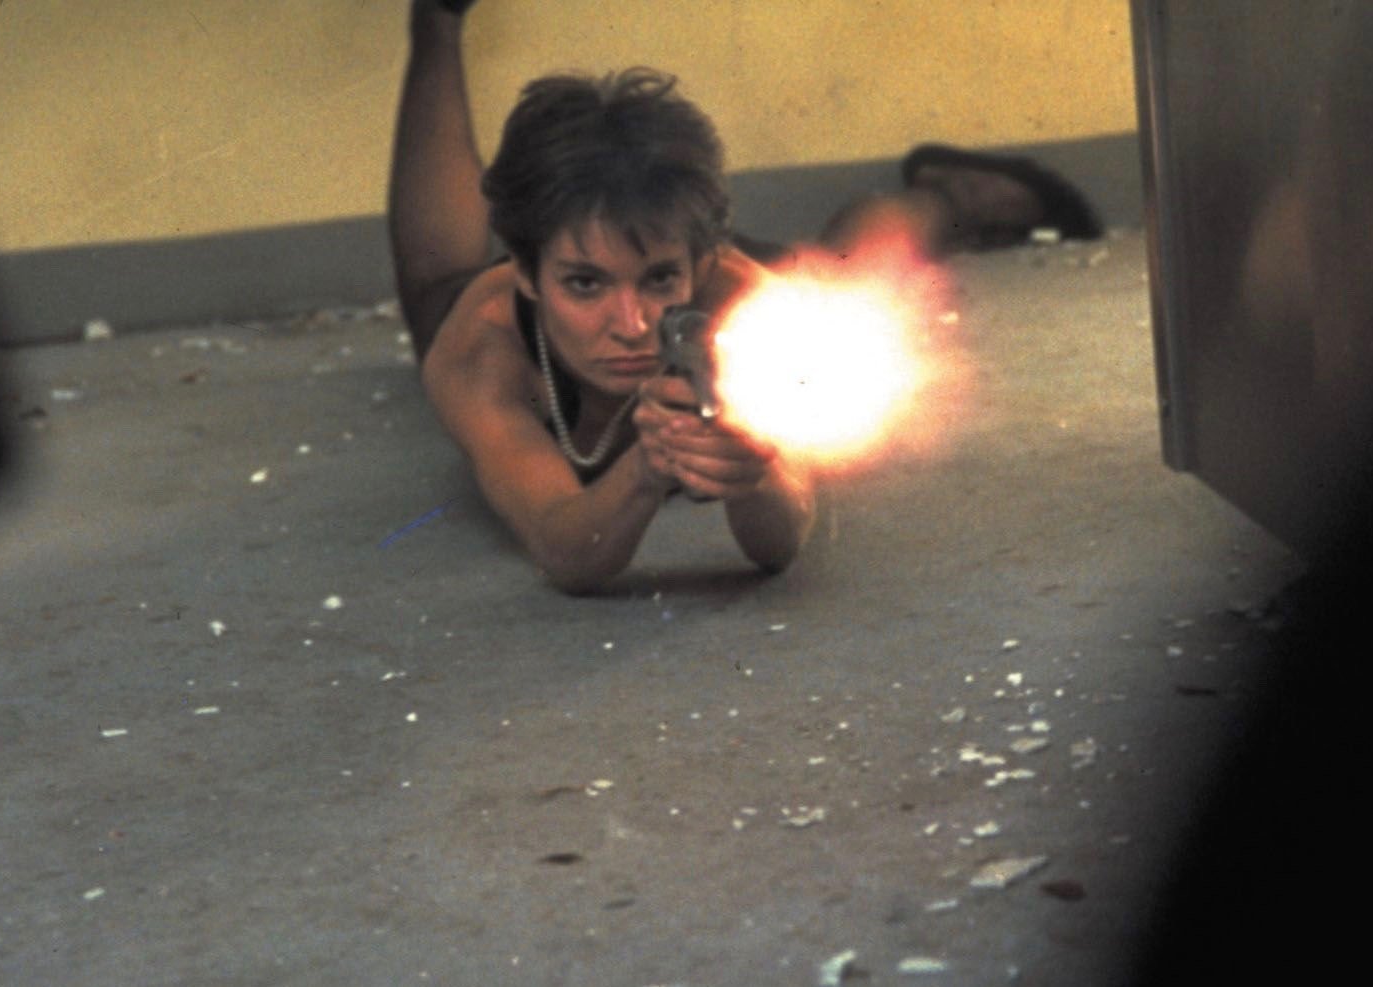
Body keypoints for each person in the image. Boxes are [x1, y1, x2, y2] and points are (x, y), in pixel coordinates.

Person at [388, 0, 1098, 593]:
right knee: (433, 297)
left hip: (730, 283)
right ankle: (437, 17)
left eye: (657, 281)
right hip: (516, 307)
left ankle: (948, 197)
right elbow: (564, 549)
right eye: (585, 284)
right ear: (525, 273)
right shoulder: (481, 346)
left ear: (698, 263)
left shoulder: (744, 302)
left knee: (841, 275)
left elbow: (779, 544)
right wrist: (646, 470)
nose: (631, 325)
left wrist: (753, 467)